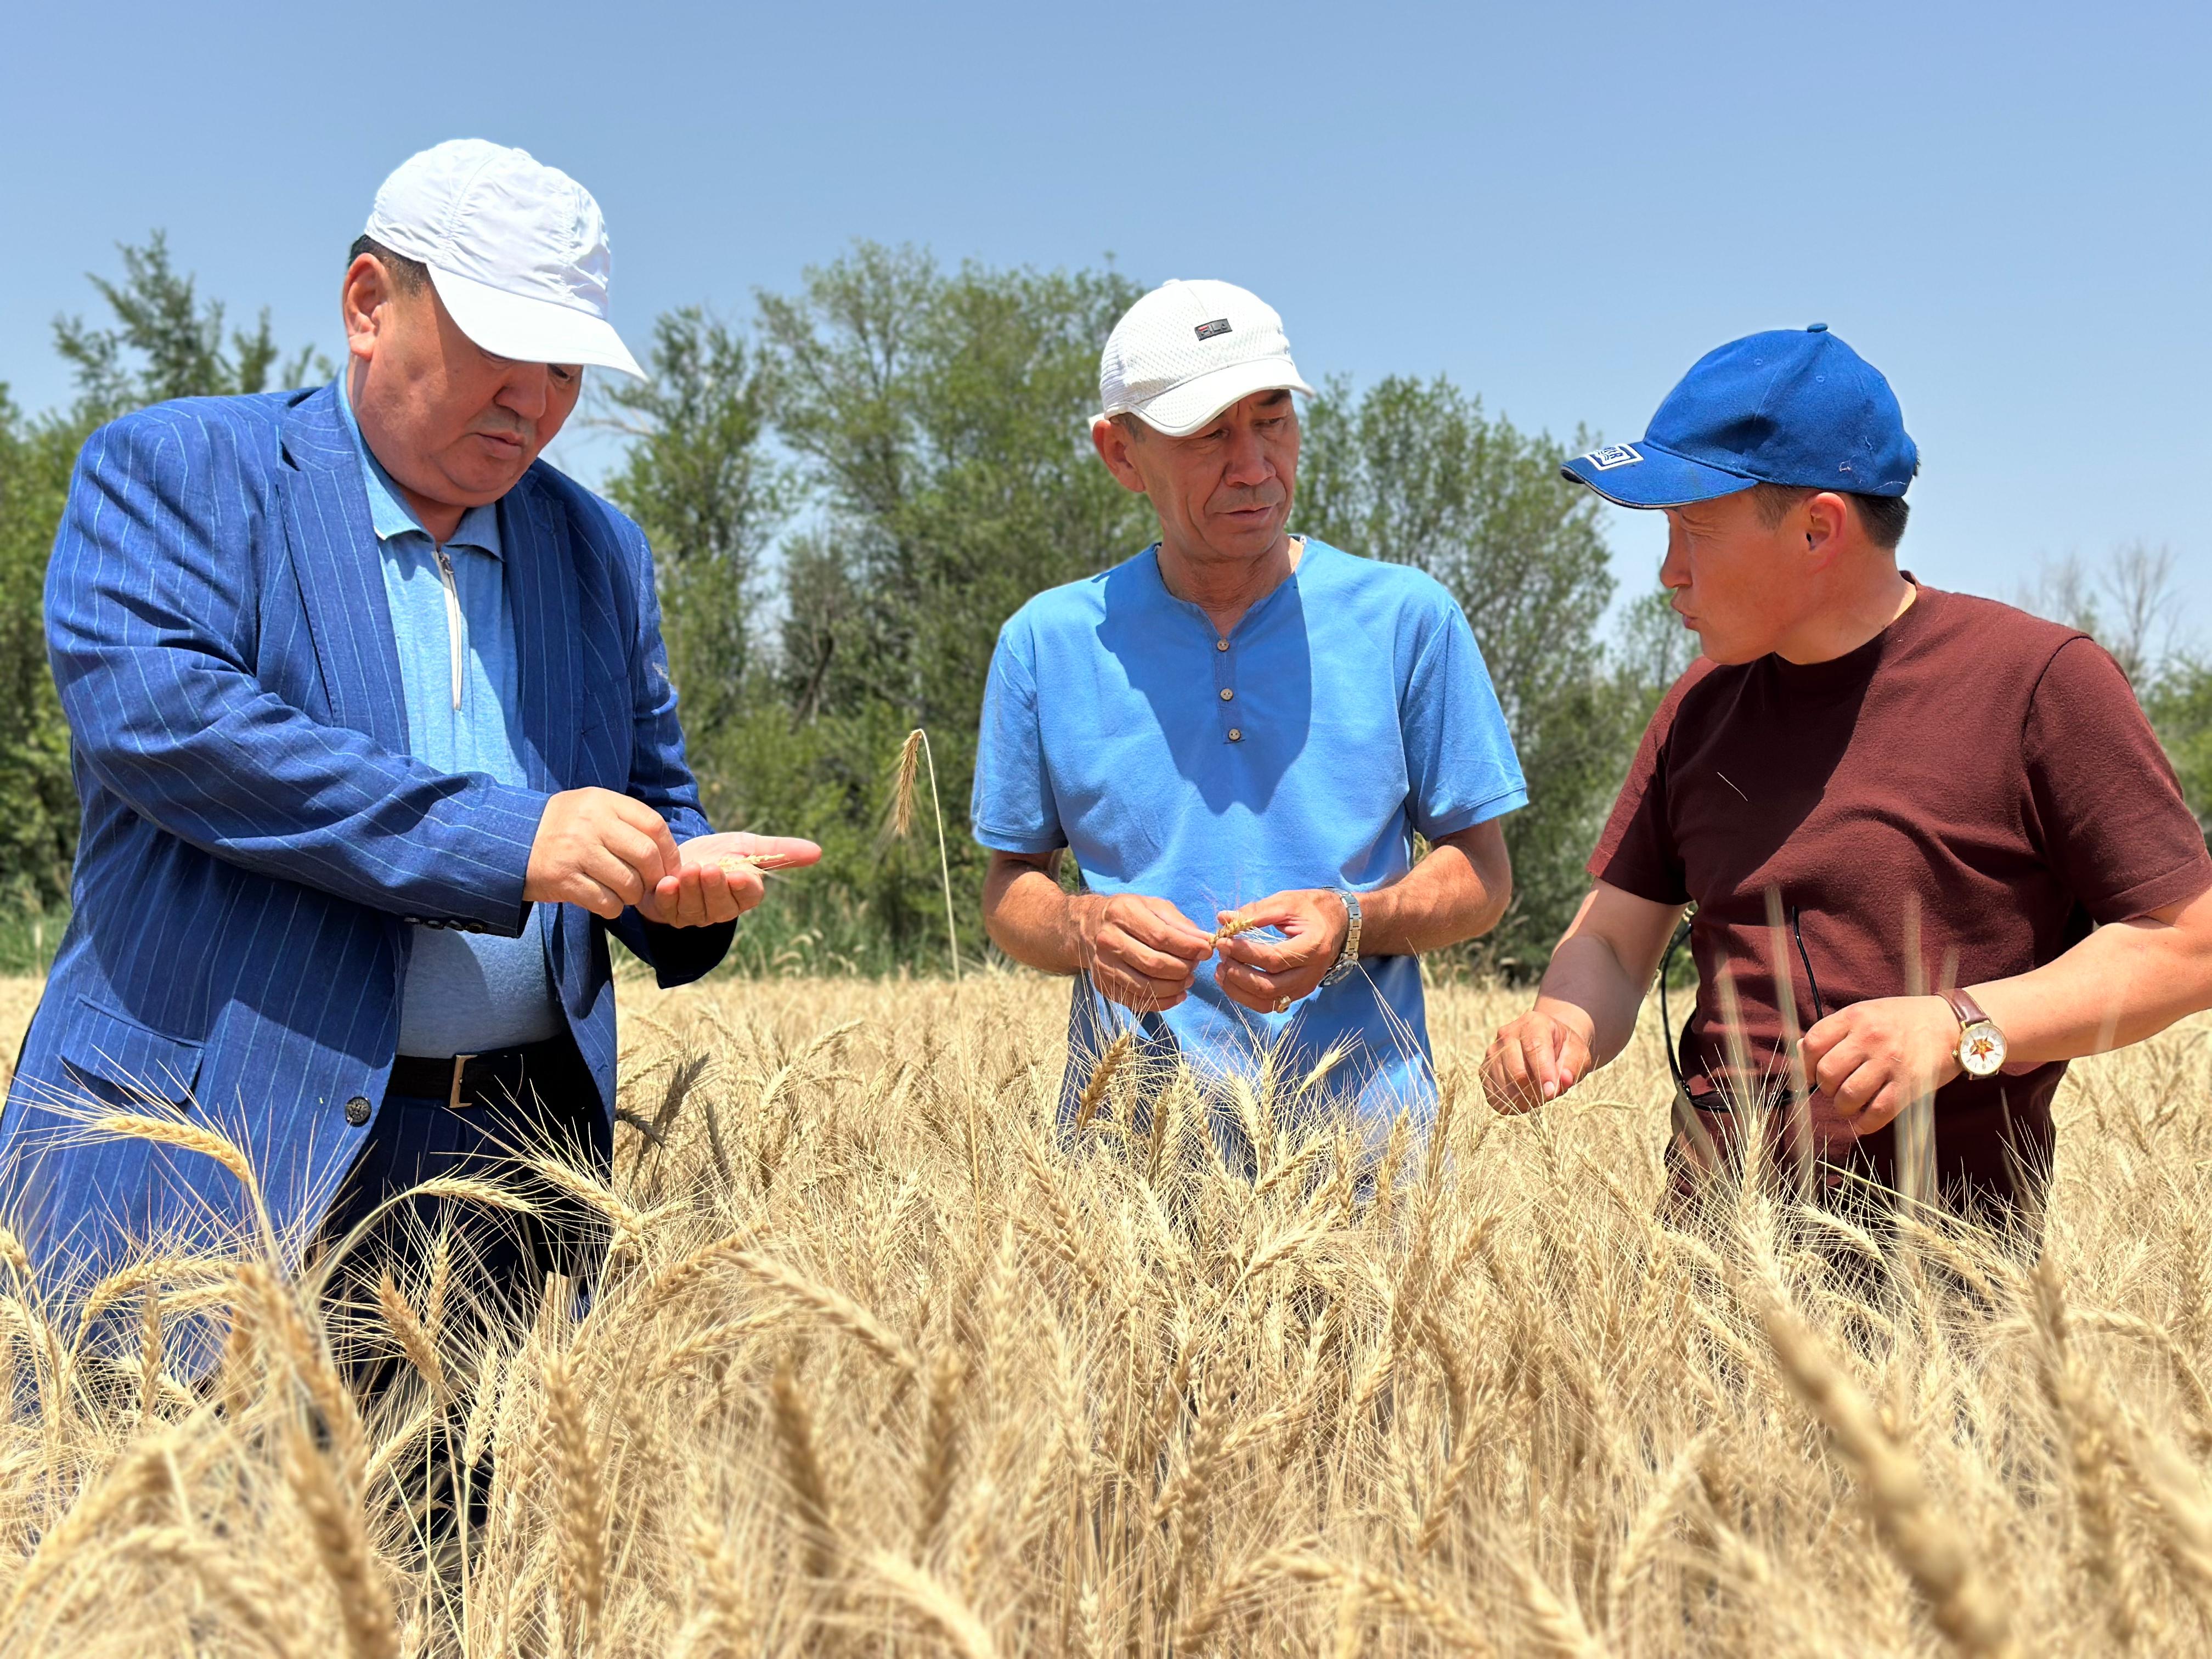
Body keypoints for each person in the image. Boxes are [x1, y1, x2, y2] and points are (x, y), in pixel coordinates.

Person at [2, 140, 818, 1318]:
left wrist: (678, 878)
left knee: (487, 1458)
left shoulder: (601, 548)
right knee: (179, 1451)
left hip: (514, 1180)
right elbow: (171, 728)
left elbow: (650, 793)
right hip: (210, 1154)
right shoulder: (177, 468)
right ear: (368, 305)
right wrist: (507, 839)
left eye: (566, 367)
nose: (535, 398)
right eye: (501, 347)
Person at [1480, 324, 2212, 1237]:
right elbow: (1615, 944)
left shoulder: (2037, 683)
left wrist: (1959, 1026)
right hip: (1700, 1283)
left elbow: (2188, 944)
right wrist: (1562, 1024)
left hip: (1944, 1291)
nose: (1668, 573)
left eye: (1692, 530)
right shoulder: (1699, 707)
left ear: (1818, 528)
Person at [974, 279, 1526, 1146]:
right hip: (1126, 1166)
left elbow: (1483, 878)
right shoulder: (1046, 643)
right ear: (1120, 453)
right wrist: (1084, 926)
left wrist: (1352, 924)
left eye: (1274, 421)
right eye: (1209, 435)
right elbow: (1010, 887)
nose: (1255, 467)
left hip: (1368, 1169)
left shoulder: (1408, 618)